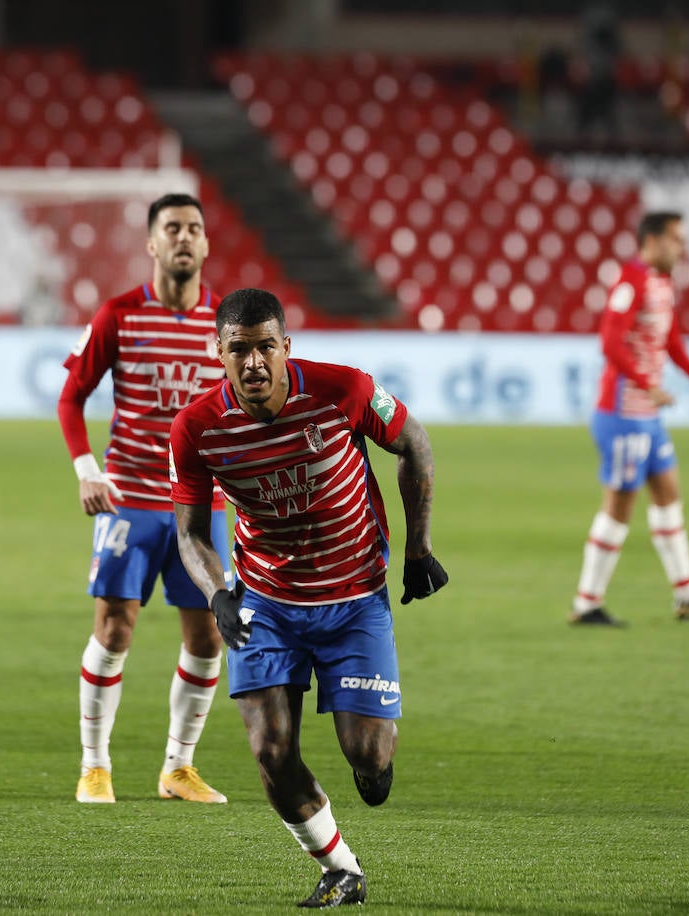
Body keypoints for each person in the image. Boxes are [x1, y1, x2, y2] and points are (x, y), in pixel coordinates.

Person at [170, 288, 448, 908]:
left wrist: (418, 549)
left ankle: (370, 766)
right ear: (219, 353)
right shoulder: (197, 429)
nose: (253, 362)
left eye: (264, 346)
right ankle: (340, 868)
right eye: (237, 350)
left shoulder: (343, 390)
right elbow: (189, 532)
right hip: (265, 602)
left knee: (369, 758)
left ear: (285, 347)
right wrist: (217, 592)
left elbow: (416, 445)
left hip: (354, 597)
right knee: (271, 750)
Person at [57, 193, 230, 805]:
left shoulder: (225, 327)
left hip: (201, 507)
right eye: (172, 229)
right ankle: (94, 765)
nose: (184, 238)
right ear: (153, 244)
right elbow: (71, 396)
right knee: (114, 626)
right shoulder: (119, 315)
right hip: (128, 498)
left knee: (208, 636)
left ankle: (177, 768)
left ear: (206, 244)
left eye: (194, 229)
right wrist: (86, 469)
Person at [570, 211, 689, 627]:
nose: (682, 248)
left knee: (668, 493)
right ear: (653, 241)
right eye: (676, 240)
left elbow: (671, 340)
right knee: (620, 507)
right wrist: (647, 383)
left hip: (648, 416)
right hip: (624, 414)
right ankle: (587, 602)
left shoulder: (662, 283)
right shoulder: (632, 280)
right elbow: (609, 341)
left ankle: (688, 595)